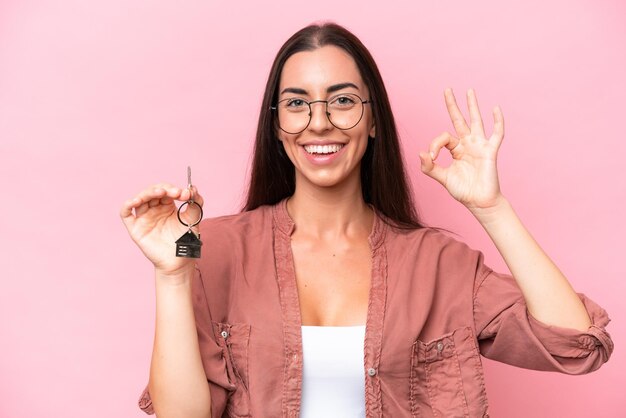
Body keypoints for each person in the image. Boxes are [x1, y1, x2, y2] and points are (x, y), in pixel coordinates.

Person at [120, 22, 613, 418]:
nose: (319, 121)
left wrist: (491, 208)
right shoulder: (214, 248)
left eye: (342, 100)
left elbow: (576, 347)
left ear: (374, 119)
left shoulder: (438, 263)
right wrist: (171, 274)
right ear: (276, 125)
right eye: (296, 103)